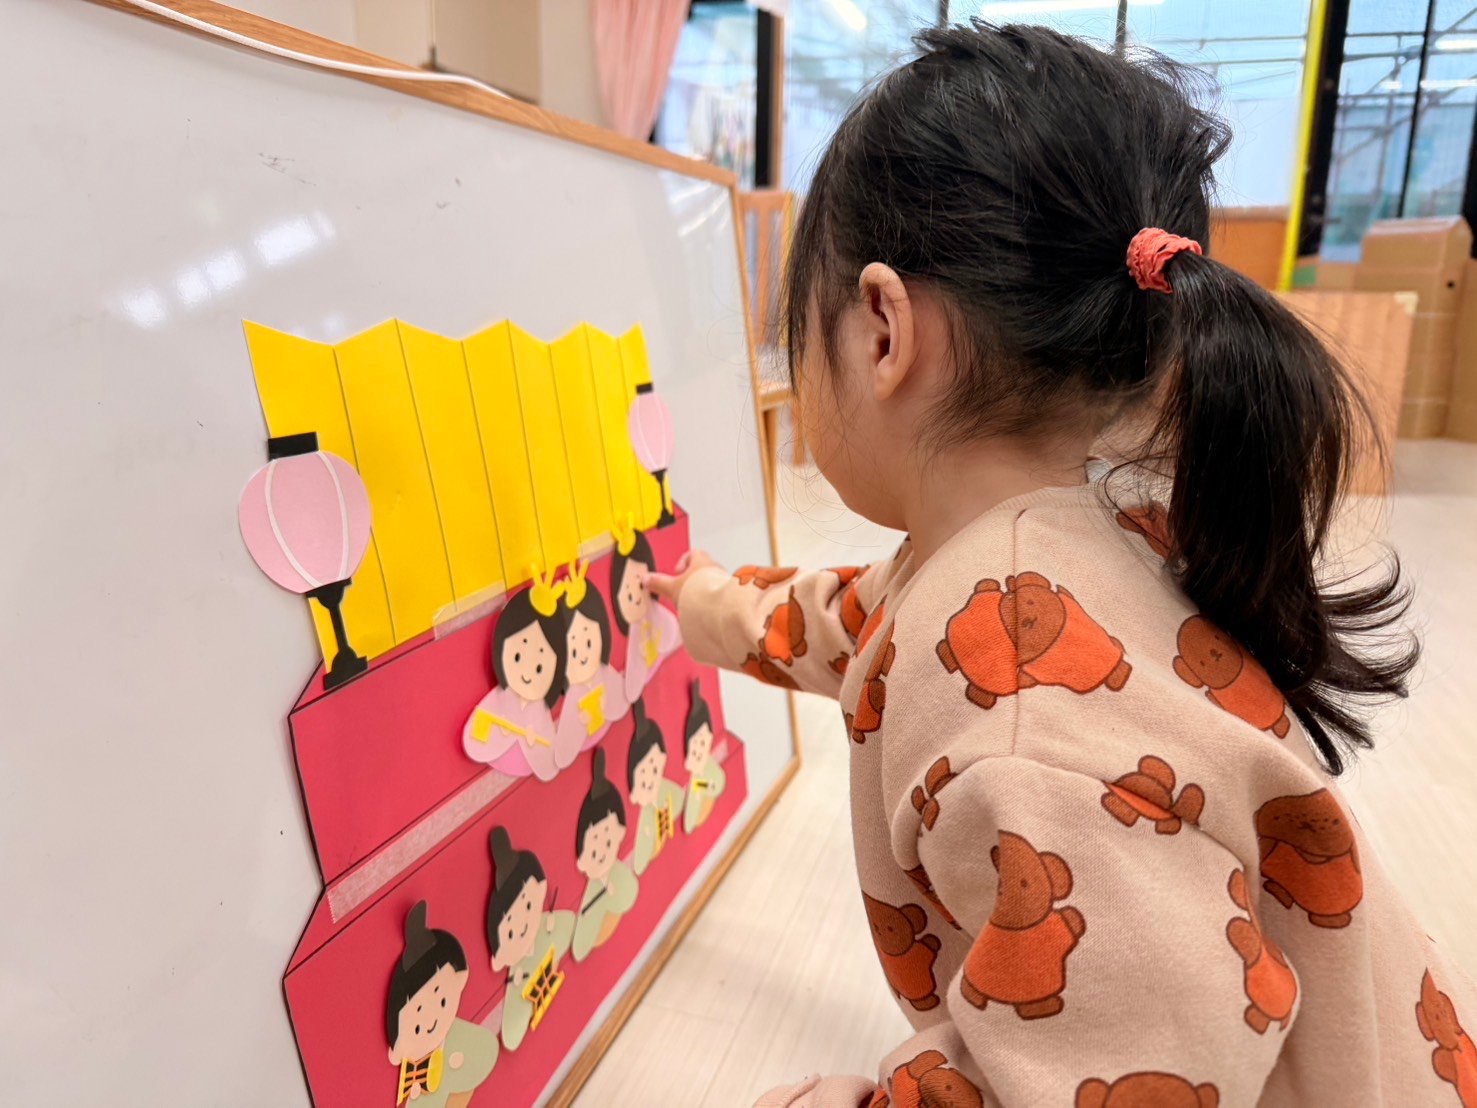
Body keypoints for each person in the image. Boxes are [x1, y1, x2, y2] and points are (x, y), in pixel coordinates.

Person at [649, 21, 1469, 1107]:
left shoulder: (1030, 731)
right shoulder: (1068, 543)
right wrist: (718, 608)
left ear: (882, 329)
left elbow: (1131, 1073)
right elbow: (867, 622)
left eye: (793, 328)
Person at [385, 901, 498, 1107]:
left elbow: (486, 1052)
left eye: (443, 1001)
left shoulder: (464, 1040)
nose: (430, 1021)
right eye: (417, 1026)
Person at [462, 580, 568, 781]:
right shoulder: (498, 699)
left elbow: (548, 763)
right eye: (518, 657)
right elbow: (475, 738)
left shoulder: (540, 711)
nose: (527, 675)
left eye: (539, 668)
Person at [485, 828, 576, 1052]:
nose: (522, 925)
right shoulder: (514, 972)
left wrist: (552, 923)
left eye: (527, 905)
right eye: (509, 931)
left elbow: (569, 925)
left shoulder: (544, 927)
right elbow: (511, 1034)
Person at [571, 750, 640, 961]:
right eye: (593, 850)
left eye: (608, 842)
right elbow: (581, 945)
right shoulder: (590, 893)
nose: (601, 852)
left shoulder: (618, 873)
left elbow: (630, 892)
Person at [626, 698, 686, 874]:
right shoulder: (643, 817)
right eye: (643, 775)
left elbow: (678, 798)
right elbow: (640, 859)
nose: (650, 777)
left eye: (654, 768)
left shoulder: (666, 790)